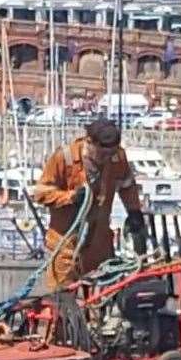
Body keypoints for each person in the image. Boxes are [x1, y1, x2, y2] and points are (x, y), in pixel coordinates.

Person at [33, 119, 145, 290]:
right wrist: (70, 197)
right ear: (89, 142)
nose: (105, 158)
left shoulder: (117, 157)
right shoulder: (64, 158)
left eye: (110, 154)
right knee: (64, 298)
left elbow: (127, 185)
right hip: (65, 245)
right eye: (102, 154)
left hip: (99, 243)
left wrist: (134, 211)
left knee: (101, 296)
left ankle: (96, 316)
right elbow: (41, 193)